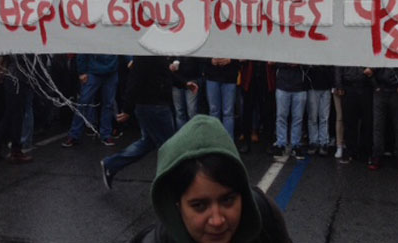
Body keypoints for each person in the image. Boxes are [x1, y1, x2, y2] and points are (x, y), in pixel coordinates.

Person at [130, 114, 291, 243]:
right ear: (177, 205)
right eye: (199, 205)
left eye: (227, 200)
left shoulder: (266, 219)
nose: (217, 221)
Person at [101, 56, 198, 190]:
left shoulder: (154, 53)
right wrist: (127, 109)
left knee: (148, 142)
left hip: (152, 105)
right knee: (169, 145)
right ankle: (174, 184)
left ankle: (111, 165)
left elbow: (165, 73)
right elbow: (134, 81)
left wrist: (184, 83)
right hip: (153, 106)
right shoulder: (145, 56)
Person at [61, 53, 120, 148]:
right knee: (85, 103)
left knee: (89, 104)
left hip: (104, 71)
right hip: (100, 71)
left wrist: (82, 71)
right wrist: (82, 71)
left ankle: (76, 135)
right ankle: (76, 135)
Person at [271, 63, 308, 159]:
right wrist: (286, 63)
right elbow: (274, 61)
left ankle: (296, 144)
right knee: (281, 116)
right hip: (282, 84)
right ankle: (281, 143)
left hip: (300, 86)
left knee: (298, 118)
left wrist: (298, 63)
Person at [204, 58, 239, 139]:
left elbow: (241, 55)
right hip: (212, 75)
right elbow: (201, 55)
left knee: (228, 113)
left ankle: (228, 142)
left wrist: (230, 60)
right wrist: (210, 60)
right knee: (214, 111)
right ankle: (215, 141)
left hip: (230, 76)